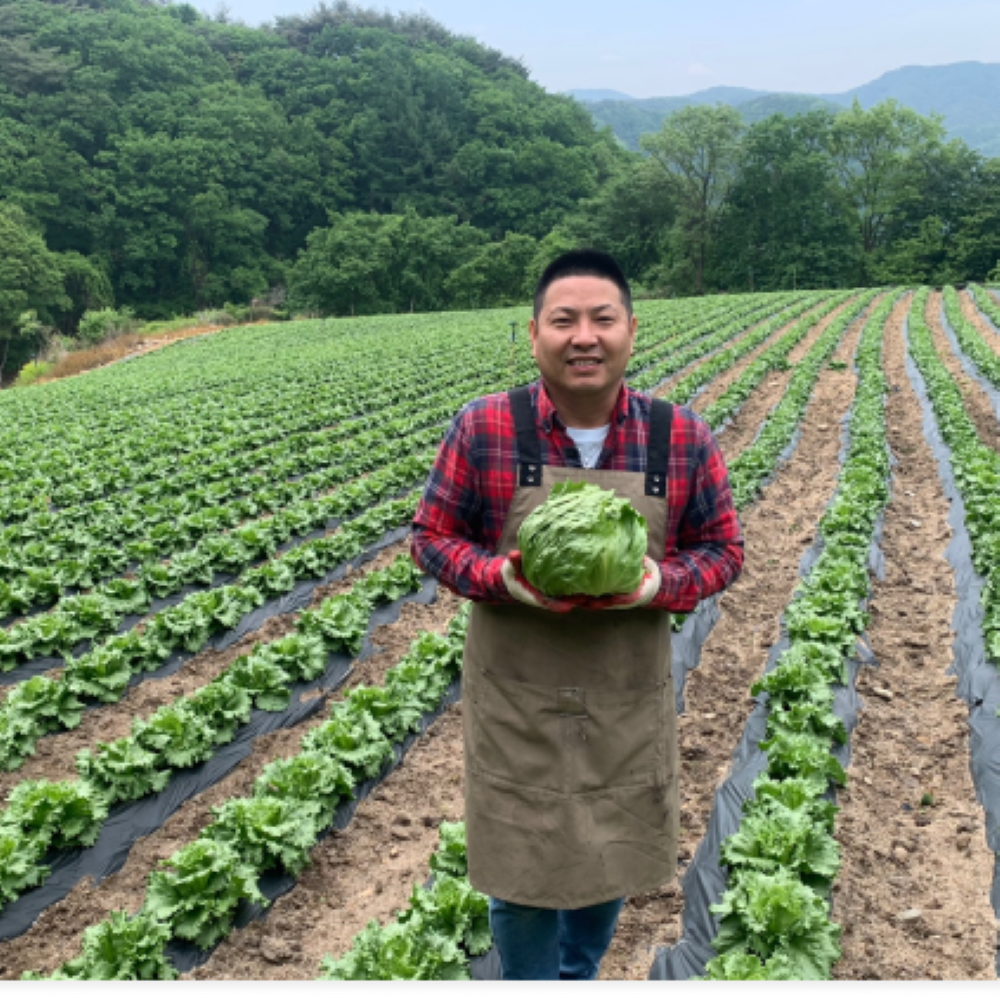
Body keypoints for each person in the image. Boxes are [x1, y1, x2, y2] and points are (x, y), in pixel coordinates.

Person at [410, 248, 744, 981]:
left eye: (602, 319)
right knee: (519, 872)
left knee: (608, 854)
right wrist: (500, 576)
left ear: (631, 329)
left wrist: (659, 583)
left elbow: (723, 550)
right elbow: (431, 537)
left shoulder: (679, 436)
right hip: (516, 700)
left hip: (623, 697)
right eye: (564, 321)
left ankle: (578, 974)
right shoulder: (485, 426)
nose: (583, 337)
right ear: (535, 334)